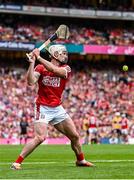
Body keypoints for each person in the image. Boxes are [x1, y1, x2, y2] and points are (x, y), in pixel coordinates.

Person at [11, 44, 94, 170]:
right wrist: (32, 63)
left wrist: (38, 57)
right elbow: (31, 82)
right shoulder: (40, 68)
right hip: (43, 107)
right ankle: (17, 162)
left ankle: (80, 160)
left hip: (57, 108)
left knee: (75, 136)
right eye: (63, 53)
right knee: (40, 137)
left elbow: (55, 71)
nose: (65, 56)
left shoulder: (66, 68)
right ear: (55, 54)